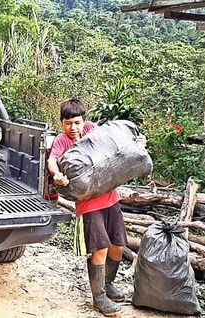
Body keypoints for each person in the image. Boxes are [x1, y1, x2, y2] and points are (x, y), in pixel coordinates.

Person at [47, 99, 127, 317]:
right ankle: (99, 297)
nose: (73, 128)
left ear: (84, 120)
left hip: (111, 197)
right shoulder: (62, 141)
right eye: (68, 123)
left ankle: (108, 284)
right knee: (100, 248)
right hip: (89, 203)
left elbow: (112, 141)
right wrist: (57, 175)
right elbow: (52, 160)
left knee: (118, 245)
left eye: (77, 122)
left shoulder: (92, 130)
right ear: (61, 123)